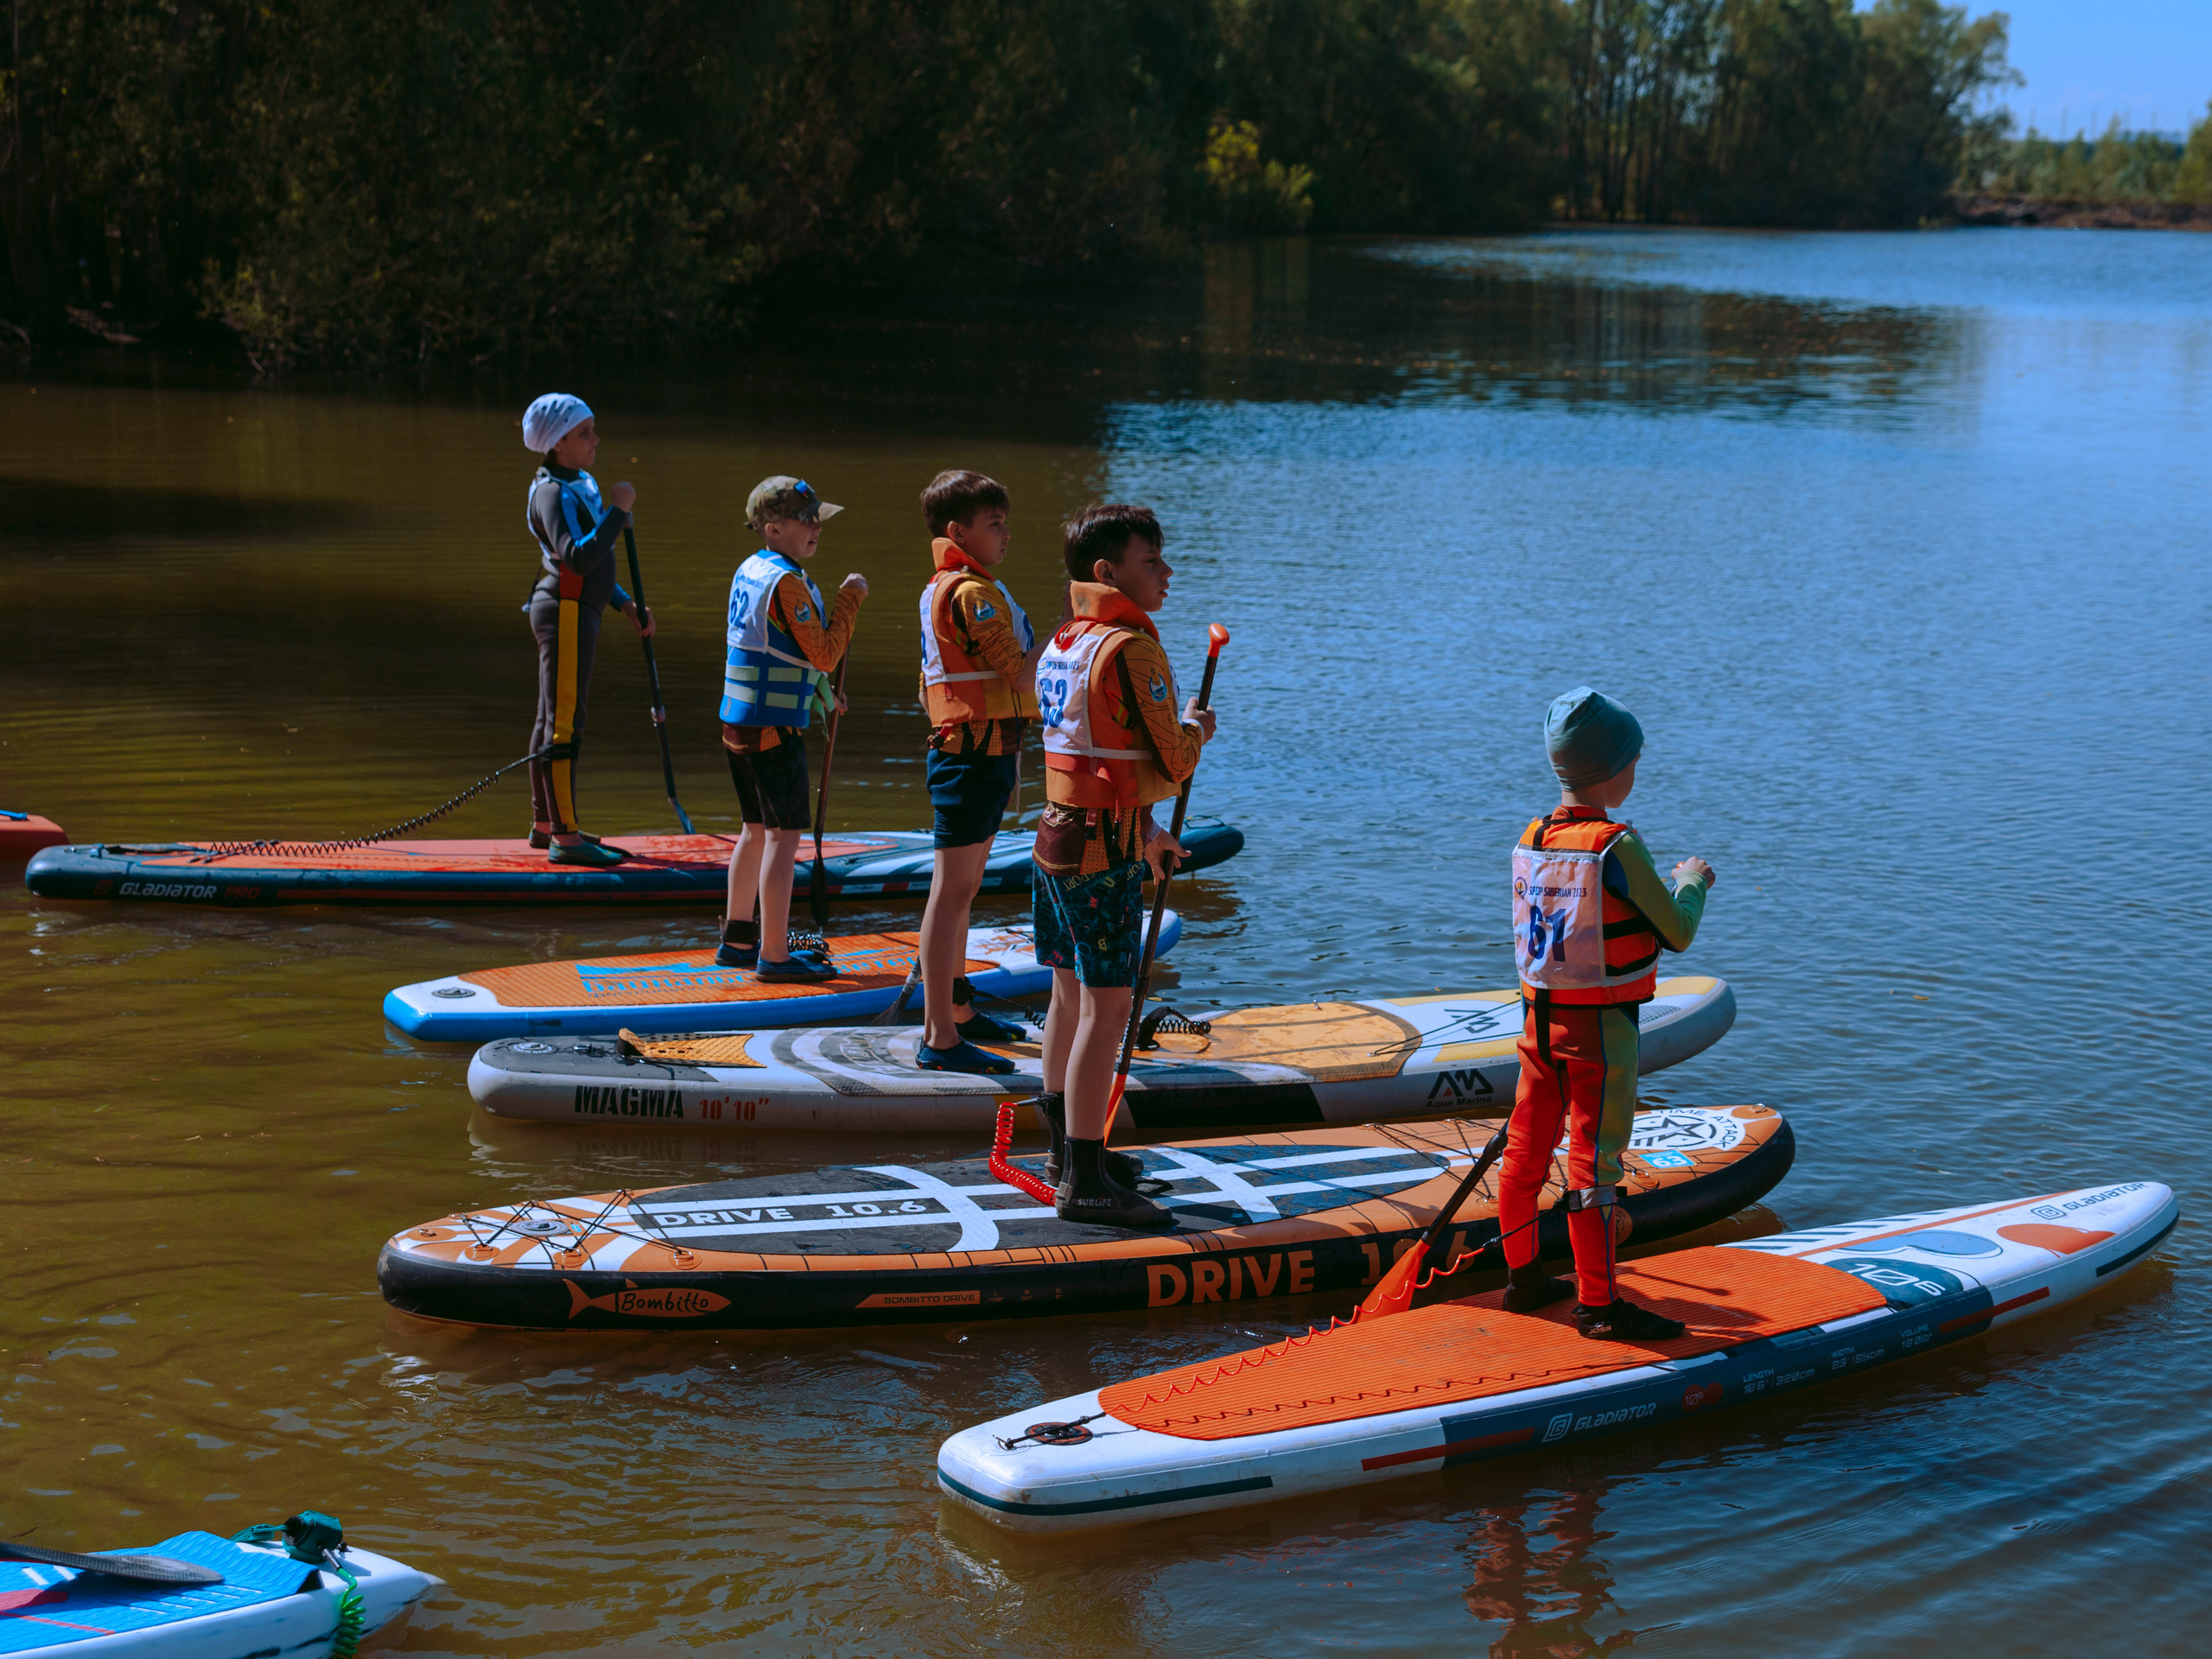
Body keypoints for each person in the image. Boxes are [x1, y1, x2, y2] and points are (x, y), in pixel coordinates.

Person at [1498, 687, 1715, 1340]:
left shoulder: (1534, 835)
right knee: (1595, 1164)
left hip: (1539, 1022)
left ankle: (1525, 1279)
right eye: (1634, 761)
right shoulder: (1615, 845)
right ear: (1613, 768)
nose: (1636, 772)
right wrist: (1693, 881)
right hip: (1600, 1031)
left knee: (1525, 1151)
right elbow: (1676, 932)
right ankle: (1599, 1306)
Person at [1030, 504, 1216, 1227]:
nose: (1166, 572)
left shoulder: (1067, 640)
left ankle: (1065, 1153)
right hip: (1099, 857)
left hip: (1055, 838)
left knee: (1067, 997)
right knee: (1107, 1009)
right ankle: (1086, 1181)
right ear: (1108, 573)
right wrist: (1197, 729)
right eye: (1151, 561)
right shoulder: (1131, 649)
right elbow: (1172, 755)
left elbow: (1100, 755)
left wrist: (1148, 831)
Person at [912, 469, 1063, 1074]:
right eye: (994, 525)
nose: (1006, 536)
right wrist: (1069, 630)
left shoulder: (957, 587)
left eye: (1006, 524)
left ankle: (960, 1008)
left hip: (985, 753)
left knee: (964, 889)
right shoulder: (969, 593)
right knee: (950, 894)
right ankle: (938, 1037)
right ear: (958, 532)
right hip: (968, 759)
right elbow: (1017, 673)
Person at [714, 476, 867, 981]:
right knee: (783, 838)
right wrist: (849, 600)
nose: (816, 527)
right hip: (772, 728)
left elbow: (772, 650)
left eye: (818, 517)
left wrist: (820, 694)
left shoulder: (751, 570)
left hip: (738, 720)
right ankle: (774, 957)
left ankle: (737, 940)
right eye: (806, 519)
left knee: (755, 831)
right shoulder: (788, 583)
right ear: (773, 528)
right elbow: (823, 652)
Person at [521, 393, 655, 866]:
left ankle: (545, 824)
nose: (596, 439)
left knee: (552, 719)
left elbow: (593, 564)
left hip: (580, 608)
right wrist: (618, 512)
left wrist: (624, 604)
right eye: (585, 432)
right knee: (563, 725)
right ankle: (564, 836)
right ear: (557, 442)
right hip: (565, 612)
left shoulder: (576, 481)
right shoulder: (552, 493)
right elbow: (576, 556)